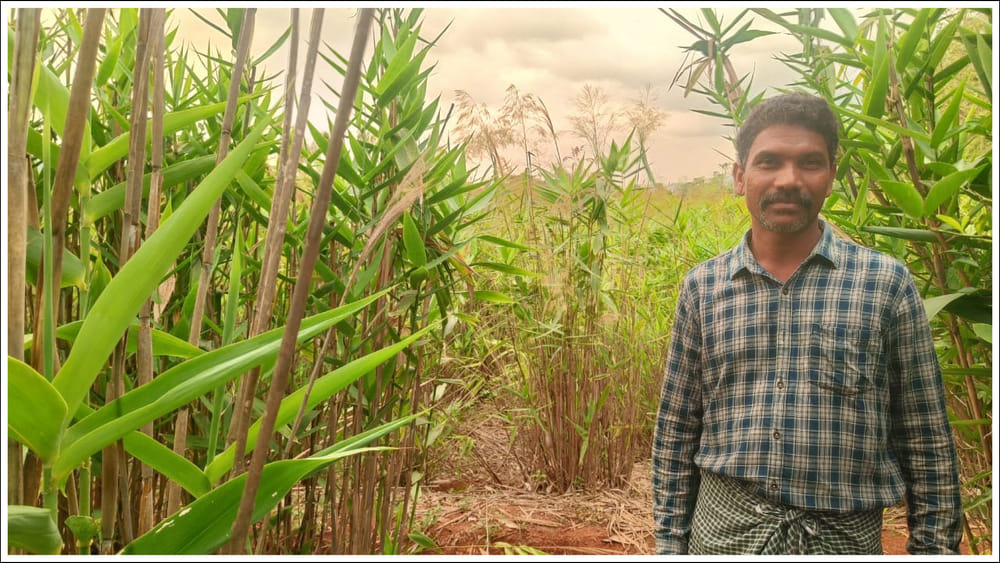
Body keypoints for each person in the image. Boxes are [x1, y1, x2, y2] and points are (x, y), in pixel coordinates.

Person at [651, 92, 964, 555]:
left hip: (842, 542)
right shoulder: (704, 288)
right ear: (740, 177)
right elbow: (677, 430)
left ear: (832, 176)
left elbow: (924, 438)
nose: (789, 180)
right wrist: (669, 545)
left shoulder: (884, 284)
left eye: (810, 163)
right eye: (769, 162)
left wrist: (934, 549)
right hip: (724, 539)